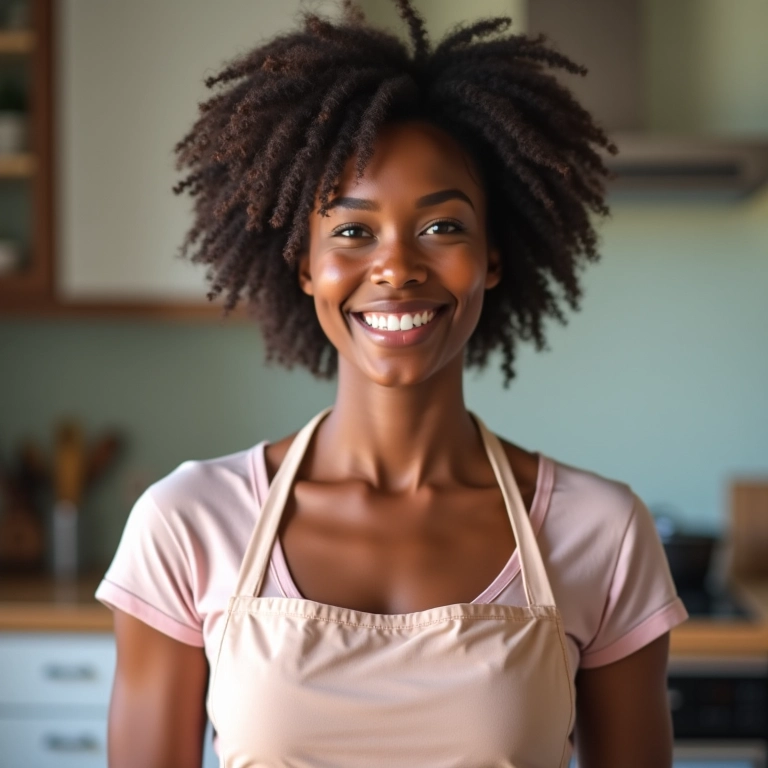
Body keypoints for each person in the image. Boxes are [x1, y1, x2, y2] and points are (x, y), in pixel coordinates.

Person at [96, 2, 689, 766]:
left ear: (492, 259)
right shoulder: (187, 524)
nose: (397, 267)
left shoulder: (600, 532)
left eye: (442, 228)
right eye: (352, 231)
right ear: (306, 267)